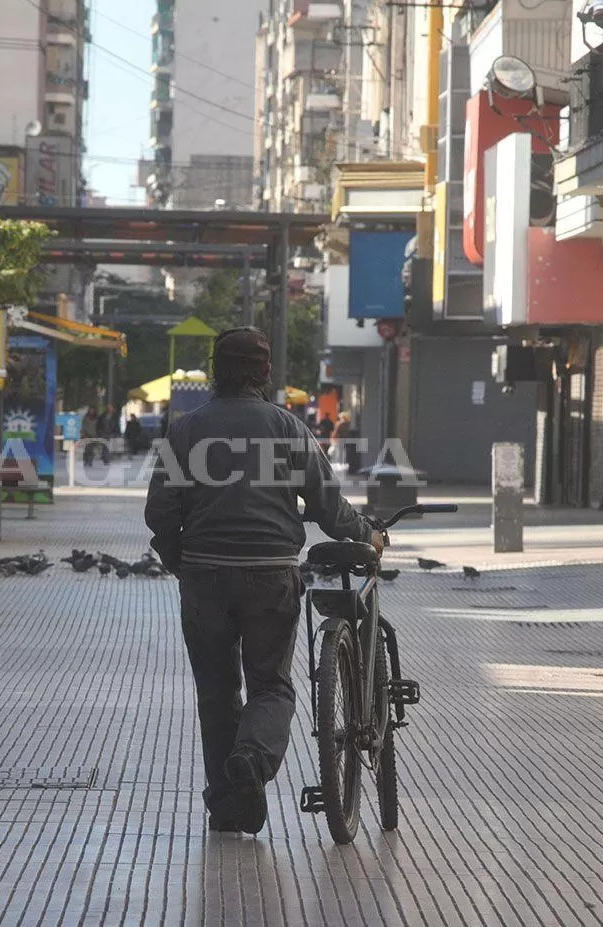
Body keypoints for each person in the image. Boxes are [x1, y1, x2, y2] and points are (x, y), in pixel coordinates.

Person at [145, 326, 382, 835]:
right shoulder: (287, 427)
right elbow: (327, 506)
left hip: (204, 575)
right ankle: (252, 759)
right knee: (271, 685)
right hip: (271, 574)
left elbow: (160, 509)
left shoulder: (186, 430)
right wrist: (368, 535)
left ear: (215, 369)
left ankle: (232, 808)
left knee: (215, 691)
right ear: (266, 372)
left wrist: (178, 560)